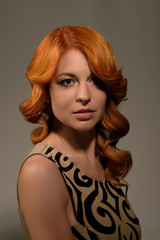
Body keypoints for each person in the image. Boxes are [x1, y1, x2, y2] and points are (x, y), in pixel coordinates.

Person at [17, 25, 141, 240]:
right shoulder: (42, 171)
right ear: (46, 92)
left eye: (96, 80)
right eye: (67, 81)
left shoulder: (102, 158)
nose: (84, 95)